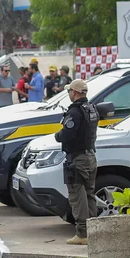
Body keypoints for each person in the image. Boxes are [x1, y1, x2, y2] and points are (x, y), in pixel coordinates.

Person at [55, 79, 99, 245]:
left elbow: (67, 134)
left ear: (74, 92)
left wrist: (58, 135)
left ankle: (82, 234)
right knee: (89, 194)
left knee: (77, 196)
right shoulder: (92, 109)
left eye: (69, 92)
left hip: (77, 159)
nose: (69, 94)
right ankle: (94, 232)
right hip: (90, 156)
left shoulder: (75, 112)